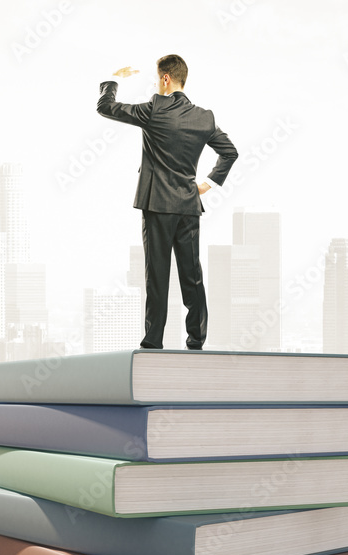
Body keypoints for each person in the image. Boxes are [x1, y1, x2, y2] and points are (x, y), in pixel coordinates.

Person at [97, 54, 238, 350]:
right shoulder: (204, 117)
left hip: (157, 204)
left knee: (157, 276)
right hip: (188, 205)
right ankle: (197, 341)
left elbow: (105, 107)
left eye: (155, 78)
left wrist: (116, 78)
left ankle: (153, 343)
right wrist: (206, 184)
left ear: (165, 79)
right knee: (192, 276)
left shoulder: (155, 109)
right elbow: (230, 152)